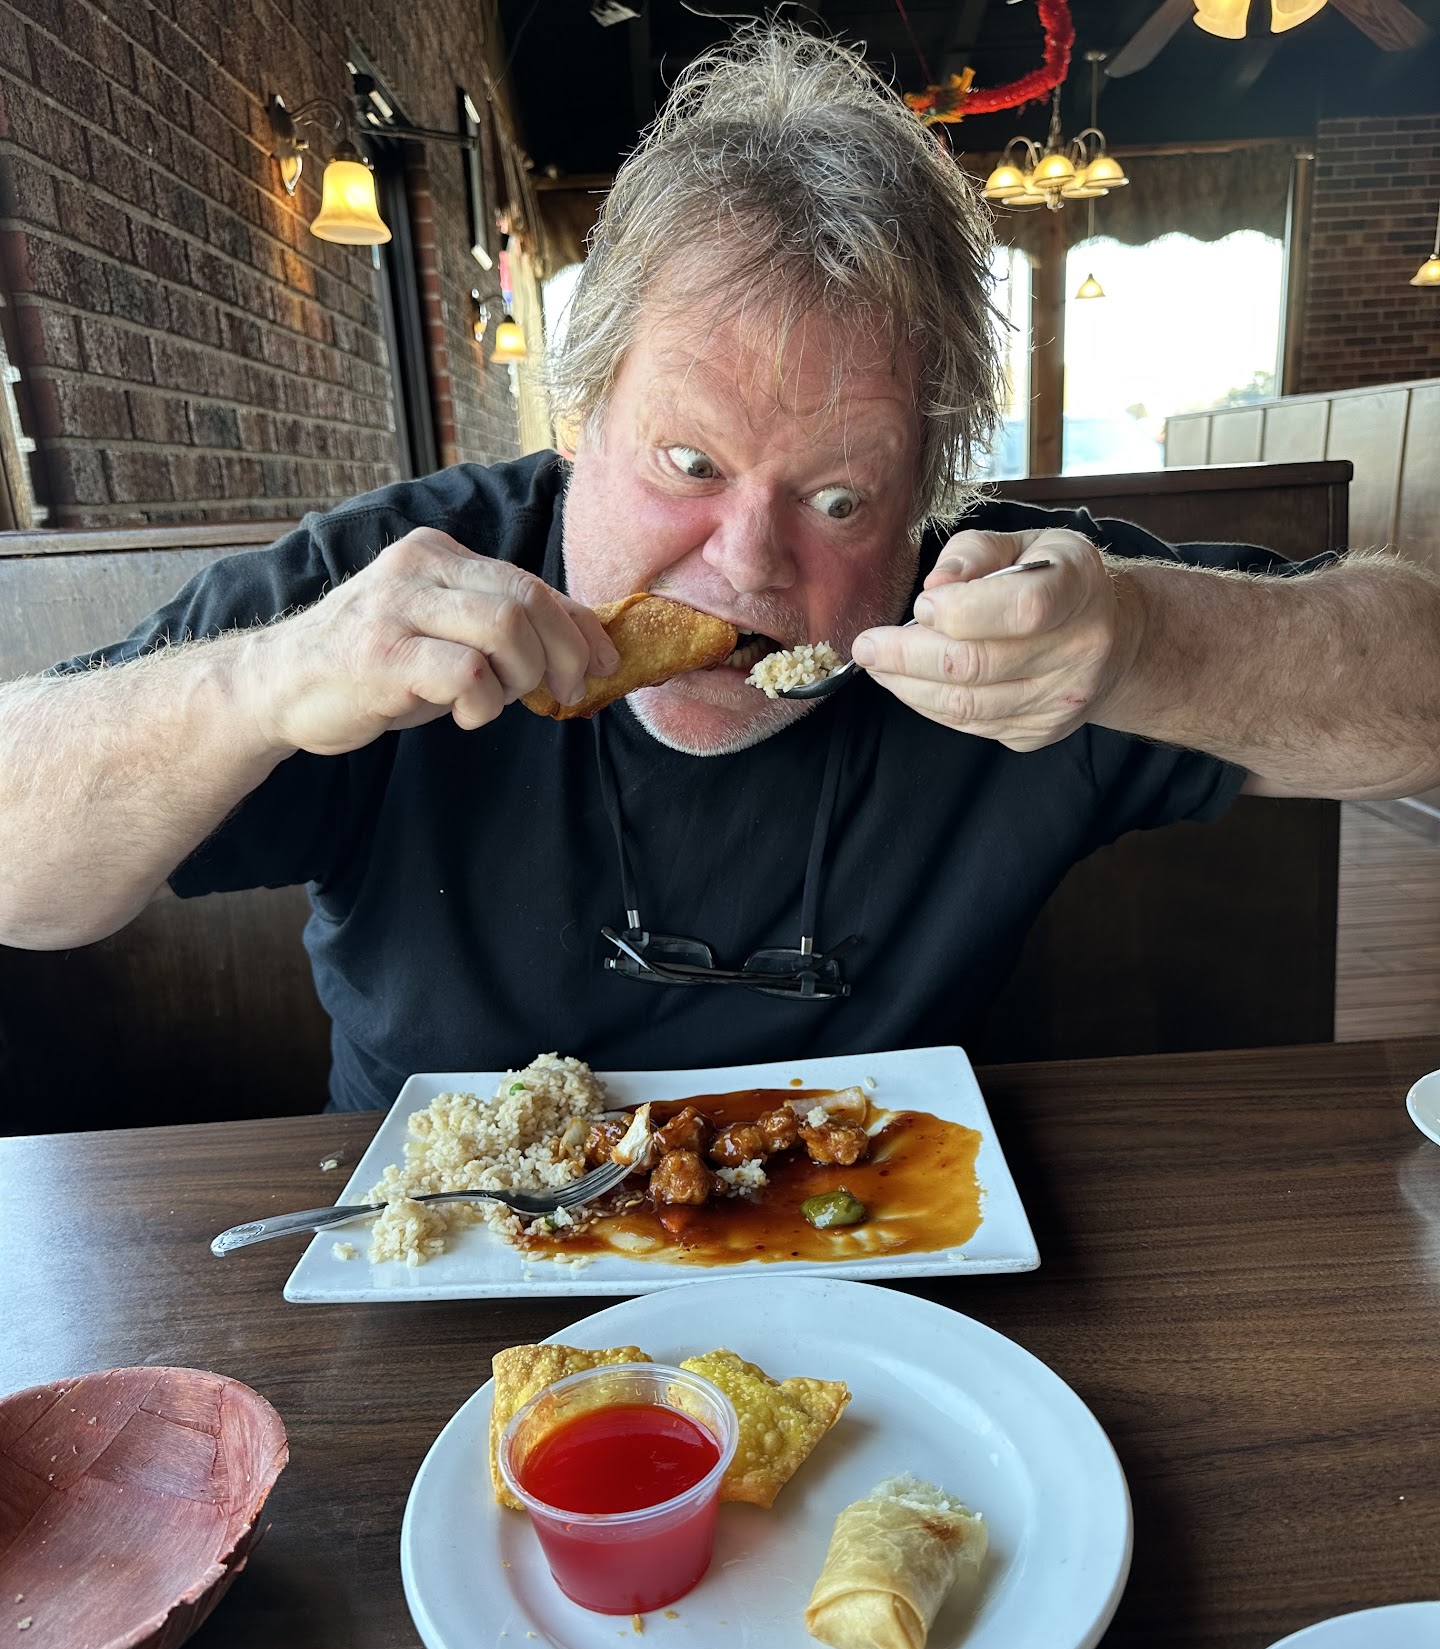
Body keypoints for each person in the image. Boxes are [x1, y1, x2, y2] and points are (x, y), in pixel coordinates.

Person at [0, 26, 1436, 1111]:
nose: (749, 562)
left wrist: (1146, 643)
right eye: (688, 463)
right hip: (444, 1282)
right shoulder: (391, 590)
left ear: (927, 495)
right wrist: (257, 686)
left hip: (885, 1286)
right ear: (582, 411)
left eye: (840, 496)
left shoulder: (1013, 611)